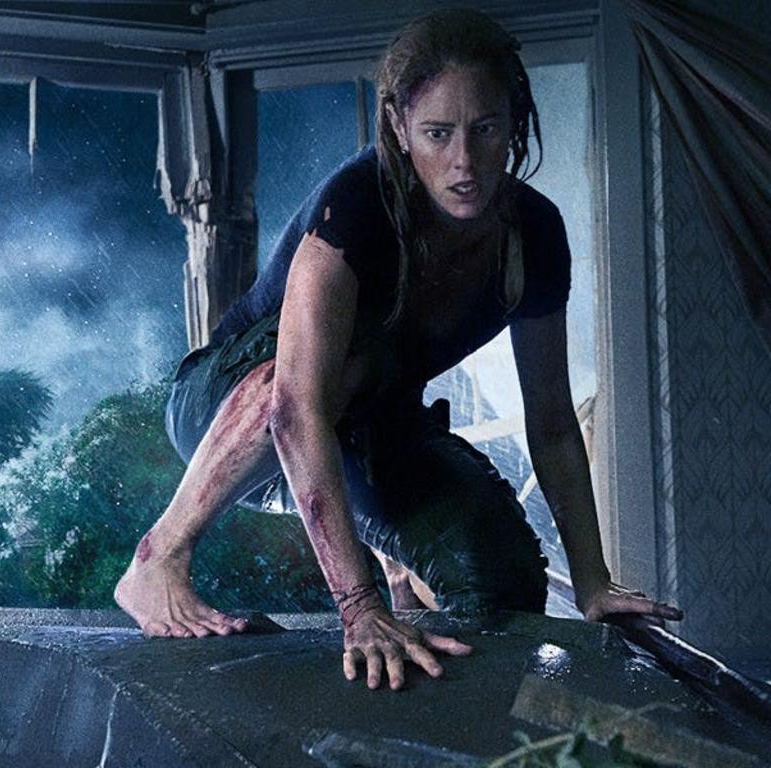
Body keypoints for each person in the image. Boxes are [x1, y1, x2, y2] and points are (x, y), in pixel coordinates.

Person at [115, 8, 682, 691]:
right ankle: (159, 555)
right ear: (399, 125)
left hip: (363, 426)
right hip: (226, 408)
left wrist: (592, 583)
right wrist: (359, 610)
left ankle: (422, 637)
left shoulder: (534, 232)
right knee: (339, 367)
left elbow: (555, 422)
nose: (464, 162)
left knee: (501, 570)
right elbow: (294, 409)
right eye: (438, 133)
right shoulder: (356, 204)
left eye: (485, 129)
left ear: (514, 120)